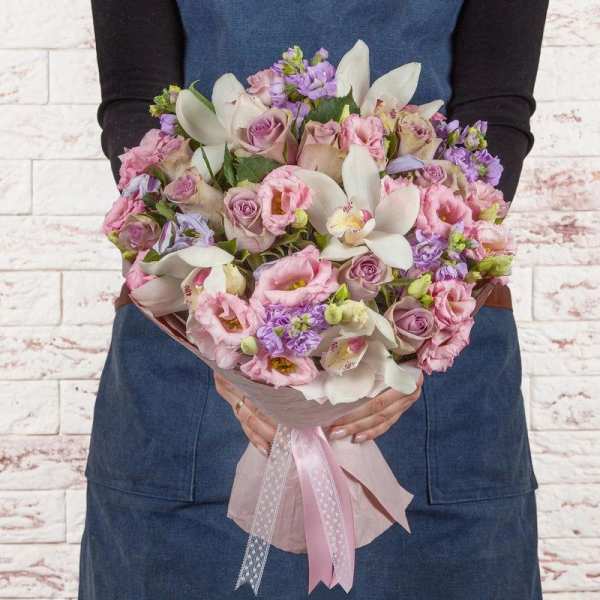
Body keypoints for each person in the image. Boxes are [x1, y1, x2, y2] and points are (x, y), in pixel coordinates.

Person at [80, 1, 549, 598]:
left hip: (426, 342)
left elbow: (495, 110)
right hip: (195, 349)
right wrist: (221, 334)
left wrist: (411, 338)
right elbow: (137, 102)